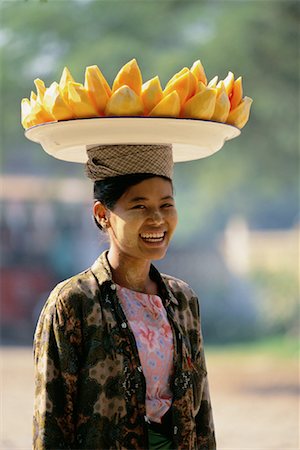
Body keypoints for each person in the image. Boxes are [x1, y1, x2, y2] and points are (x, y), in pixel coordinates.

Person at [33, 144, 216, 450]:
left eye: (167, 205)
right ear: (103, 214)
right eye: (140, 206)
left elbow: (201, 414)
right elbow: (51, 425)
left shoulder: (183, 300)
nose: (158, 219)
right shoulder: (72, 303)